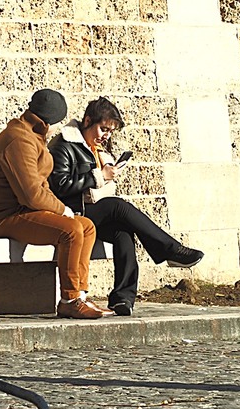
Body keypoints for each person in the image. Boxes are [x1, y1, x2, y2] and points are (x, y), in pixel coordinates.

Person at [48, 96, 204, 317]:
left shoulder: (94, 147)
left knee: (123, 232)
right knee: (118, 207)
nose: (106, 136)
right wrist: (98, 176)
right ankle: (170, 249)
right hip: (73, 210)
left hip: (92, 211)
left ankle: (123, 298)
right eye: (103, 129)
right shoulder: (64, 145)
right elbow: (60, 186)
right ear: (87, 121)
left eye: (110, 132)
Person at [0, 88, 110, 320]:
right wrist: (62, 210)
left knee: (86, 226)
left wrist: (60, 210)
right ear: (50, 121)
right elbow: (31, 194)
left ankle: (80, 293)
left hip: (24, 211)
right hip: (2, 217)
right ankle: (69, 300)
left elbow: (39, 188)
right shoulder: (19, 140)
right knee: (71, 230)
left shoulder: (33, 136)